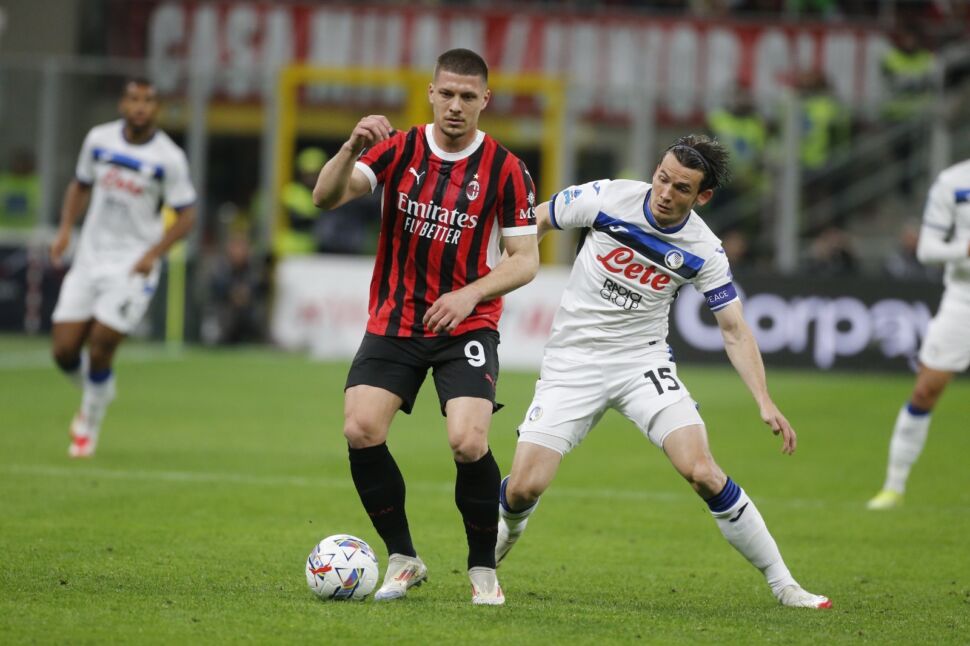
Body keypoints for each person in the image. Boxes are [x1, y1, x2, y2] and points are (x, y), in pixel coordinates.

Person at [495, 134, 832, 609]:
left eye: (681, 188)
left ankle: (785, 585)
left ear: (703, 197)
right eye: (662, 178)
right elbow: (536, 220)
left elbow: (734, 330)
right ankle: (495, 550)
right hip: (574, 360)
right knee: (525, 485)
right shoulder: (607, 197)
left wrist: (764, 399)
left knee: (702, 471)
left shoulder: (705, 250)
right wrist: (502, 270)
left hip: (642, 362)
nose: (665, 193)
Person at [311, 48, 539, 605]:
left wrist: (469, 293)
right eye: (447, 94)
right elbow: (324, 196)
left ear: (485, 100)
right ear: (430, 94)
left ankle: (483, 569)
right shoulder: (399, 148)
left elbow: (525, 258)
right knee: (361, 429)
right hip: (395, 318)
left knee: (467, 441)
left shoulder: (507, 169)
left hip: (467, 324)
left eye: (468, 96)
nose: (456, 106)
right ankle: (404, 557)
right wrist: (350, 148)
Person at [49, 77, 196, 458]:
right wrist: (65, 229)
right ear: (122, 105)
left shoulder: (169, 158)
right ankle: (99, 390)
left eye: (148, 100)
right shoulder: (99, 140)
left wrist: (154, 253)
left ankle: (88, 428)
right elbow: (80, 185)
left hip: (132, 266)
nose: (140, 107)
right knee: (64, 351)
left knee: (101, 346)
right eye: (134, 99)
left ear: (156, 109)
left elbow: (186, 216)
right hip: (88, 258)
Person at [867, 158, 970, 510]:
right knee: (927, 389)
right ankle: (894, 487)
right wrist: (965, 249)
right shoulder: (954, 182)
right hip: (964, 299)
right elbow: (927, 250)